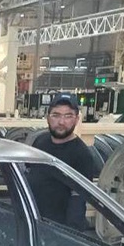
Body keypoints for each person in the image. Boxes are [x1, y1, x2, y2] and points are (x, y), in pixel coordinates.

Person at [27, 93, 101, 228]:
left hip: (58, 228)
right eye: (56, 115)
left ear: (76, 119)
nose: (61, 122)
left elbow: (78, 199)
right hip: (32, 220)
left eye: (68, 116)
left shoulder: (82, 155)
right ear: (48, 118)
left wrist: (70, 234)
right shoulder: (40, 142)